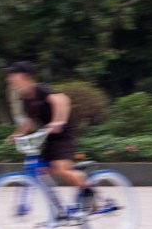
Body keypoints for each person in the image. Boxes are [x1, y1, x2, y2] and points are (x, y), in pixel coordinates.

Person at [6, 61, 93, 208]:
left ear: (25, 76)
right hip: (49, 136)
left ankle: (91, 195)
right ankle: (59, 208)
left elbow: (62, 100)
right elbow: (30, 122)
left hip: (63, 134)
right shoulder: (26, 99)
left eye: (13, 74)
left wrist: (59, 121)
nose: (9, 78)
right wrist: (16, 135)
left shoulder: (39, 89)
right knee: (40, 168)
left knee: (60, 169)